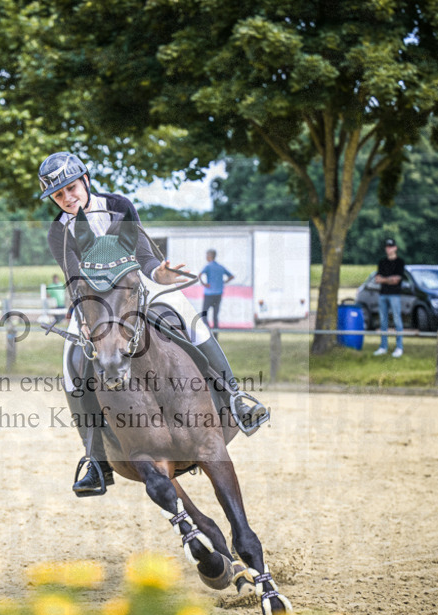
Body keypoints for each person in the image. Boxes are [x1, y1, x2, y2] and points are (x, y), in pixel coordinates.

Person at [37, 151, 269, 495]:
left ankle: (236, 399)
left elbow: (144, 254)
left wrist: (158, 273)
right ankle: (96, 459)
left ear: (85, 180)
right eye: (59, 195)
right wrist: (84, 318)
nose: (68, 198)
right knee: (71, 364)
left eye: (71, 188)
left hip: (137, 285)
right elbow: (73, 278)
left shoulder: (119, 206)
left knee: (191, 320)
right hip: (94, 302)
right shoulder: (59, 231)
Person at [373, 238, 405, 358]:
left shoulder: (400, 262)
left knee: (397, 320)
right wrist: (389, 279)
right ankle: (383, 346)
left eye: (391, 247)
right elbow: (377, 279)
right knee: (383, 321)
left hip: (394, 294)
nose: (389, 249)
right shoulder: (382, 262)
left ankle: (399, 347)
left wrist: (384, 279)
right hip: (383, 294)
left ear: (395, 248)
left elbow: (396, 280)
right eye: (387, 247)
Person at [200, 249, 234, 329]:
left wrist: (204, 284)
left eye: (206, 255)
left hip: (209, 294)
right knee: (215, 315)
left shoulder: (208, 266)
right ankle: (215, 333)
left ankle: (208, 330)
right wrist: (224, 282)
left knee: (204, 314)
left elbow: (199, 275)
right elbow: (231, 276)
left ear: (209, 256)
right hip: (218, 294)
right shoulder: (220, 267)